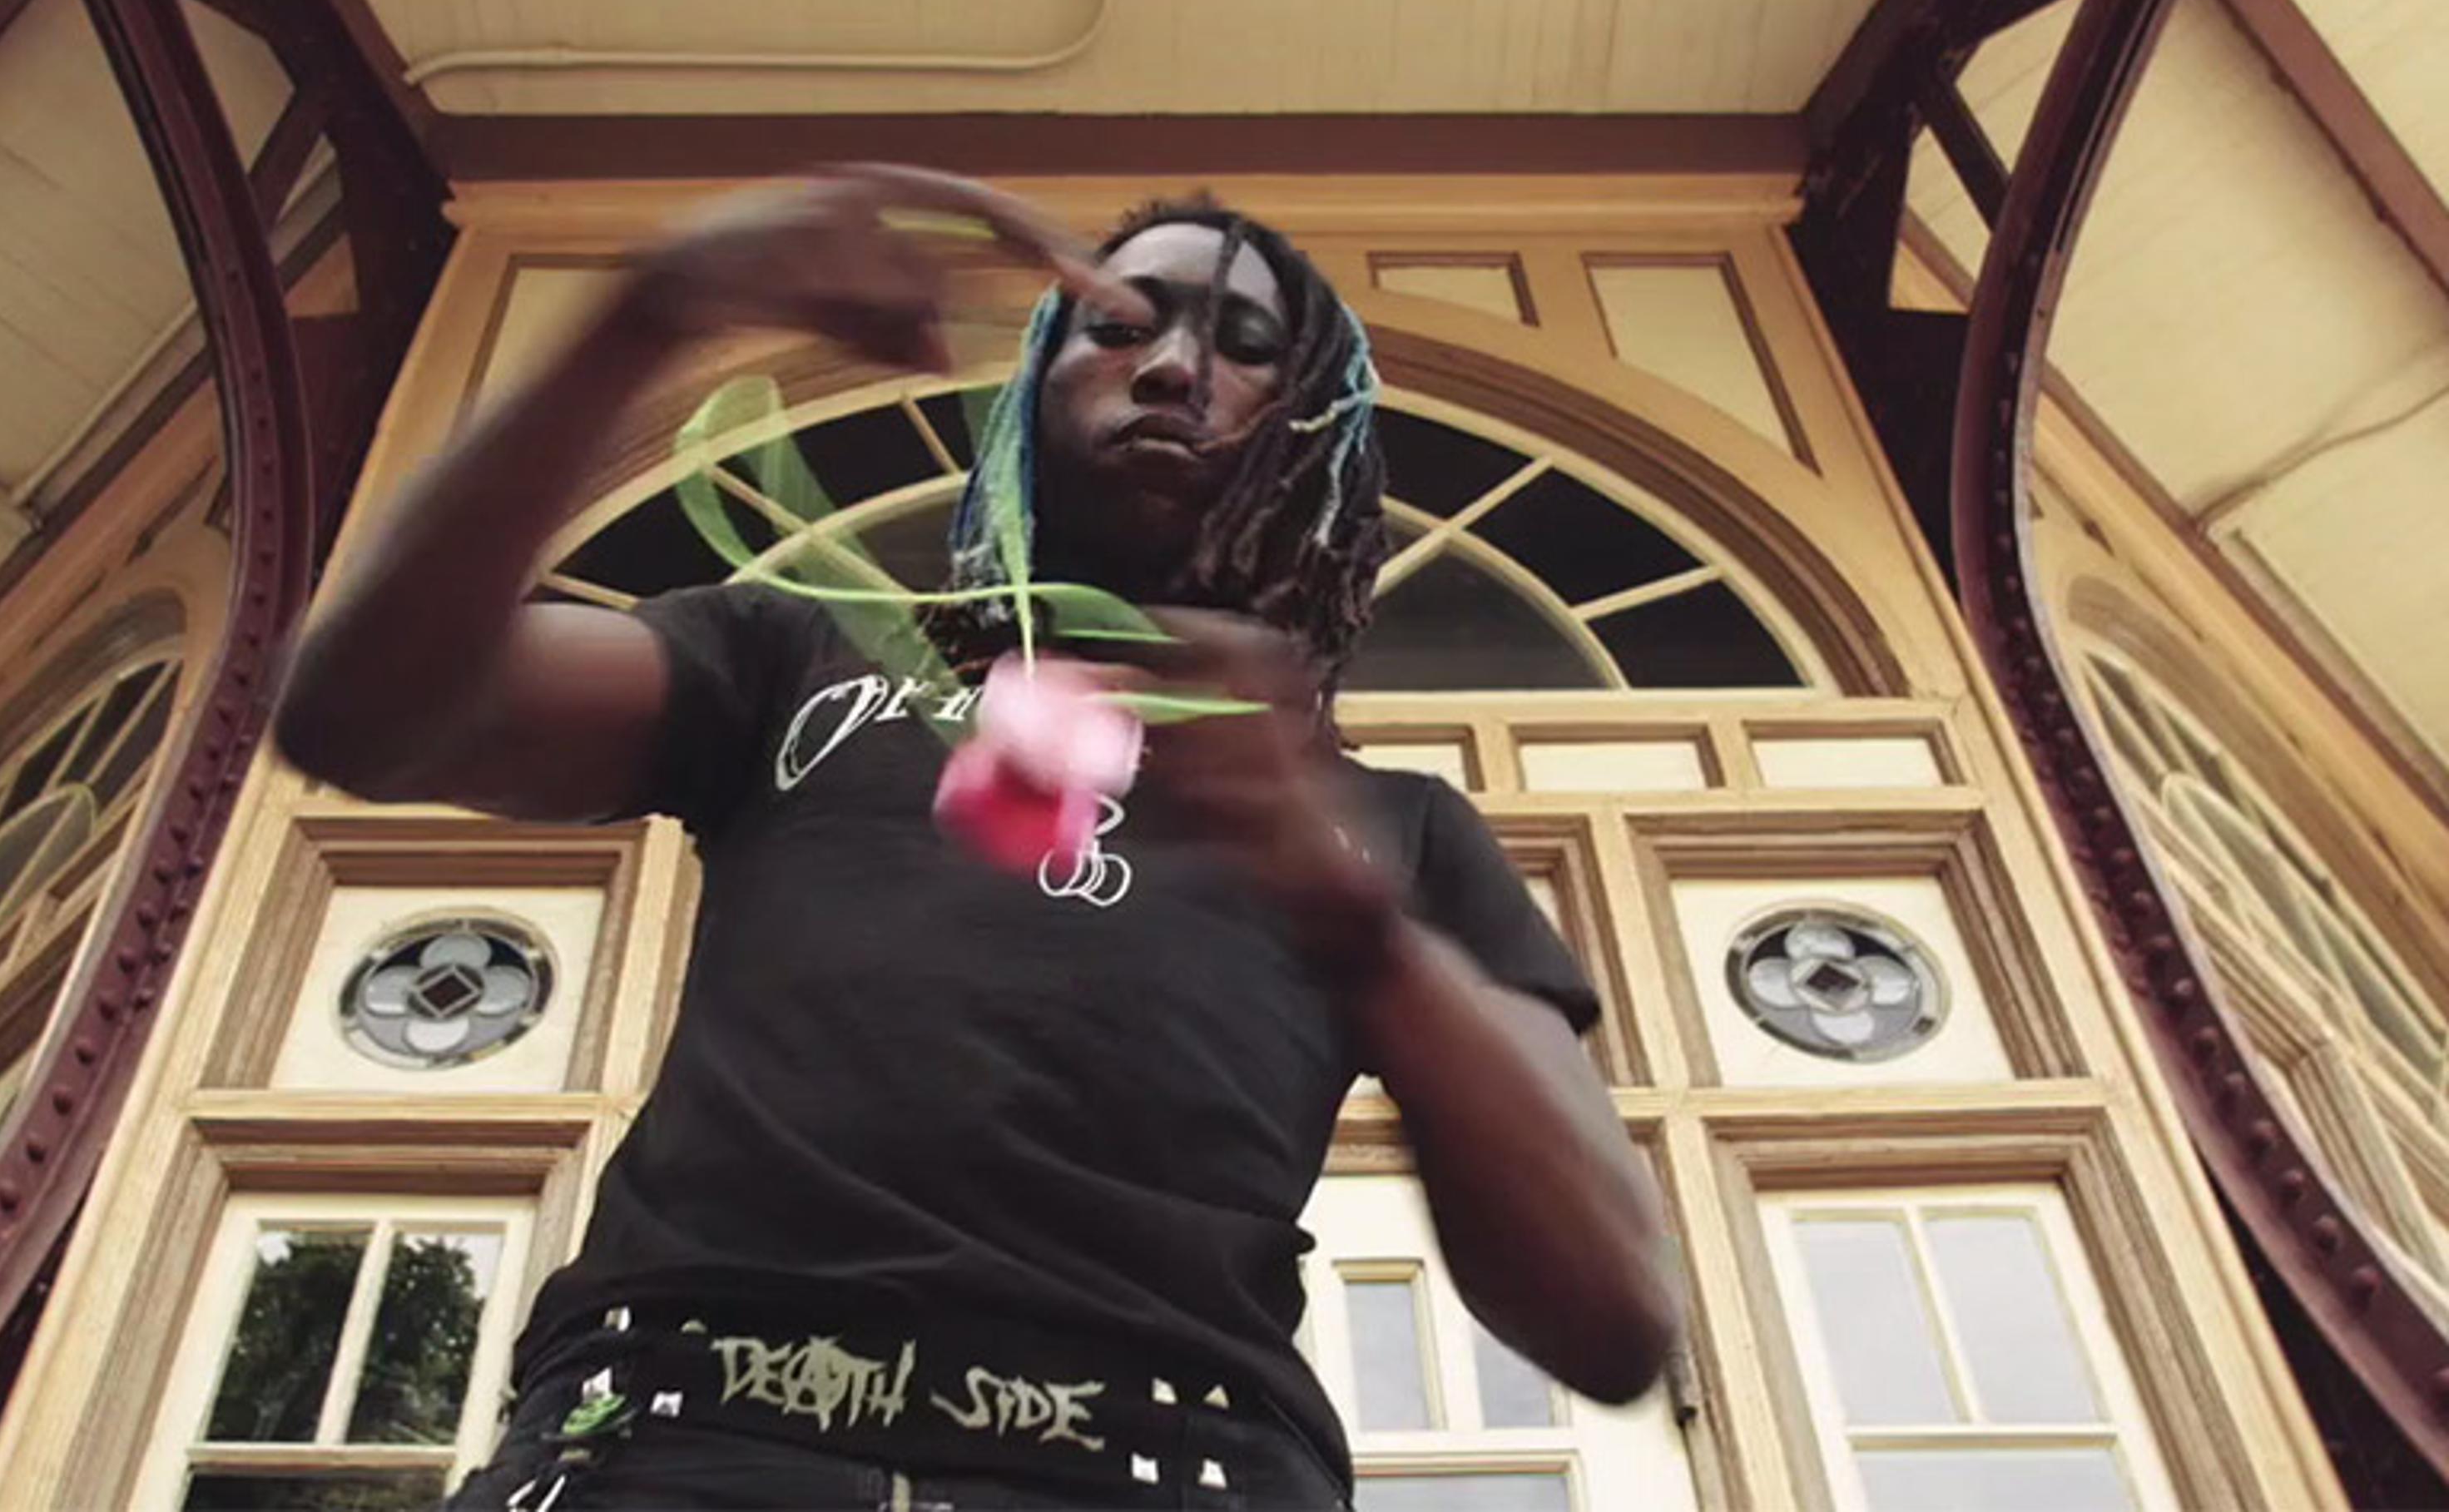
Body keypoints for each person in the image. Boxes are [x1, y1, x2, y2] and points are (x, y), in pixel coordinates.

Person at [277, 167, 1680, 1510]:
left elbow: (1615, 1317)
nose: (1174, 367)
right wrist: (650, 313)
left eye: (1247, 345)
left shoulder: (1396, 830)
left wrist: (1357, 925)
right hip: (674, 1437)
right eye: (1118, 327)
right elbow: (365, 717)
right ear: (1032, 386)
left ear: (1318, 427)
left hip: (1170, 1461)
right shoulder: (793, 659)